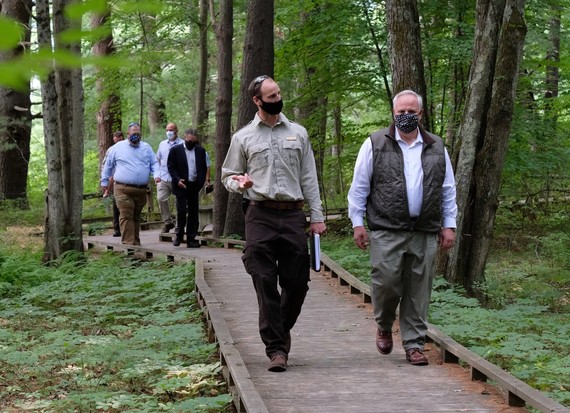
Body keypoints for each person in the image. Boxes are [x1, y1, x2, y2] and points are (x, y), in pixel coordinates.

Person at [221, 75, 327, 373]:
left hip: (293, 215)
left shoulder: (299, 133)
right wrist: (238, 182)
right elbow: (227, 175)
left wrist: (317, 217)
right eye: (271, 95)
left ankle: (279, 328)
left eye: (279, 92)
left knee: (297, 283)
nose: (278, 98)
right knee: (264, 278)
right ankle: (276, 349)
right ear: (257, 101)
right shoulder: (243, 137)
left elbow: (309, 178)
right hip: (259, 214)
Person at [347, 90, 457, 366]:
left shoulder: (436, 146)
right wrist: (357, 222)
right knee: (385, 283)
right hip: (386, 227)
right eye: (400, 112)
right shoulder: (375, 143)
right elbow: (360, 185)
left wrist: (449, 225)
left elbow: (448, 190)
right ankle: (384, 325)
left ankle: (414, 343)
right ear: (393, 113)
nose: (405, 116)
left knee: (419, 289)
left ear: (420, 114)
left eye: (411, 112)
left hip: (424, 229)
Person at [100, 122, 159, 246]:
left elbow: (154, 163)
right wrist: (104, 181)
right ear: (128, 134)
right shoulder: (117, 148)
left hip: (141, 190)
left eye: (138, 134)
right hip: (123, 188)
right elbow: (108, 166)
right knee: (126, 215)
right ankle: (128, 245)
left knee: (136, 216)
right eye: (133, 133)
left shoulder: (146, 147)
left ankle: (135, 243)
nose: (136, 136)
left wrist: (157, 174)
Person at [167, 128, 211, 248]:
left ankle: (191, 239)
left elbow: (203, 168)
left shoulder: (200, 151)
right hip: (181, 184)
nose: (191, 142)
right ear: (185, 138)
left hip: (194, 185)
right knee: (181, 211)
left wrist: (201, 182)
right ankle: (179, 236)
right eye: (189, 140)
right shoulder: (176, 150)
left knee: (193, 212)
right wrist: (177, 179)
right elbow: (171, 166)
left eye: (193, 141)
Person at [156, 122, 184, 233]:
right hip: (164, 177)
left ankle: (179, 225)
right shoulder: (162, 144)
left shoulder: (182, 144)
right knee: (161, 199)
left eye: (171, 130)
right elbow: (157, 160)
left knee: (179, 202)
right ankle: (168, 222)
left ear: (176, 131)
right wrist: (157, 175)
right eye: (167, 130)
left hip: (177, 178)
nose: (169, 132)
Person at [102, 130, 125, 237]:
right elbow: (106, 166)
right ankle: (117, 228)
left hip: (128, 180)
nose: (118, 144)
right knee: (116, 205)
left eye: (119, 141)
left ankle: (127, 228)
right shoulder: (111, 150)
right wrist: (105, 181)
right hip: (115, 181)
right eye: (116, 142)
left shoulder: (129, 148)